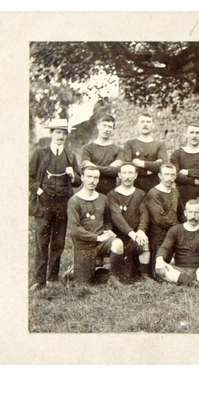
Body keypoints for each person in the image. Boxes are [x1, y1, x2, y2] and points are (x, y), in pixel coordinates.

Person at [29, 118, 81, 291]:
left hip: (62, 204)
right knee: (41, 240)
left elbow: (77, 182)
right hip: (43, 203)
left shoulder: (70, 156)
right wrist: (39, 191)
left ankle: (52, 278)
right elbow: (29, 177)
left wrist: (73, 175)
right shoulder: (39, 153)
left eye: (64, 133)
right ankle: (39, 280)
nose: (61, 136)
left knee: (58, 242)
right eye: (58, 132)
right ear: (51, 133)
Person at [66, 162, 127, 284]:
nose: (92, 180)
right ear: (82, 178)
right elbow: (74, 229)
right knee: (84, 284)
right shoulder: (74, 201)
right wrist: (97, 237)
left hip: (101, 242)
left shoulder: (103, 199)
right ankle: (74, 270)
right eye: (89, 177)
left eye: (95, 178)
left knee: (118, 243)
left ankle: (114, 277)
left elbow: (108, 220)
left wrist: (108, 230)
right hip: (83, 245)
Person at [155, 200, 199, 287]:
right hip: (179, 270)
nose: (193, 216)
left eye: (196, 212)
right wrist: (159, 260)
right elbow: (164, 248)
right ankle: (196, 285)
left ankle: (181, 282)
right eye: (190, 212)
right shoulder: (175, 230)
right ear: (185, 213)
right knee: (159, 266)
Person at [107, 162, 151, 282]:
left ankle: (145, 276)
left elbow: (144, 214)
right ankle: (115, 277)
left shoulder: (140, 194)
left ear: (135, 176)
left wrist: (141, 231)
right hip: (120, 236)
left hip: (136, 235)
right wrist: (131, 233)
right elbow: (117, 217)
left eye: (130, 173)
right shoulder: (112, 194)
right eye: (124, 173)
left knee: (143, 243)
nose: (127, 176)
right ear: (119, 175)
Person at [145, 163, 183, 264]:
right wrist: (179, 228)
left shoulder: (175, 192)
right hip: (159, 236)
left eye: (172, 175)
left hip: (174, 232)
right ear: (160, 176)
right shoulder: (154, 193)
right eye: (166, 174)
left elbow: (181, 213)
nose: (169, 178)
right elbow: (159, 219)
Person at [123, 112, 168, 193]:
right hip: (134, 188)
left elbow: (163, 166)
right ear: (138, 125)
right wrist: (150, 169)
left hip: (154, 188)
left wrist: (142, 163)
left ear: (153, 125)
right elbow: (127, 165)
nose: (145, 124)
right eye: (142, 122)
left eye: (148, 122)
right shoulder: (130, 144)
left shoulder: (160, 145)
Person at [170, 123, 199, 206]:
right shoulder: (177, 154)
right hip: (180, 197)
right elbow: (174, 175)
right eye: (192, 132)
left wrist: (188, 172)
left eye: (197, 133)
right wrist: (193, 181)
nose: (194, 136)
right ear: (186, 134)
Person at [81, 115, 124, 195]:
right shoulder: (87, 148)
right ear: (98, 126)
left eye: (109, 127)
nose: (106, 129)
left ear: (113, 129)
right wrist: (109, 169)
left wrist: (94, 166)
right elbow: (87, 170)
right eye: (104, 125)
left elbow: (116, 171)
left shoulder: (118, 150)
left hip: (109, 192)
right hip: (90, 192)